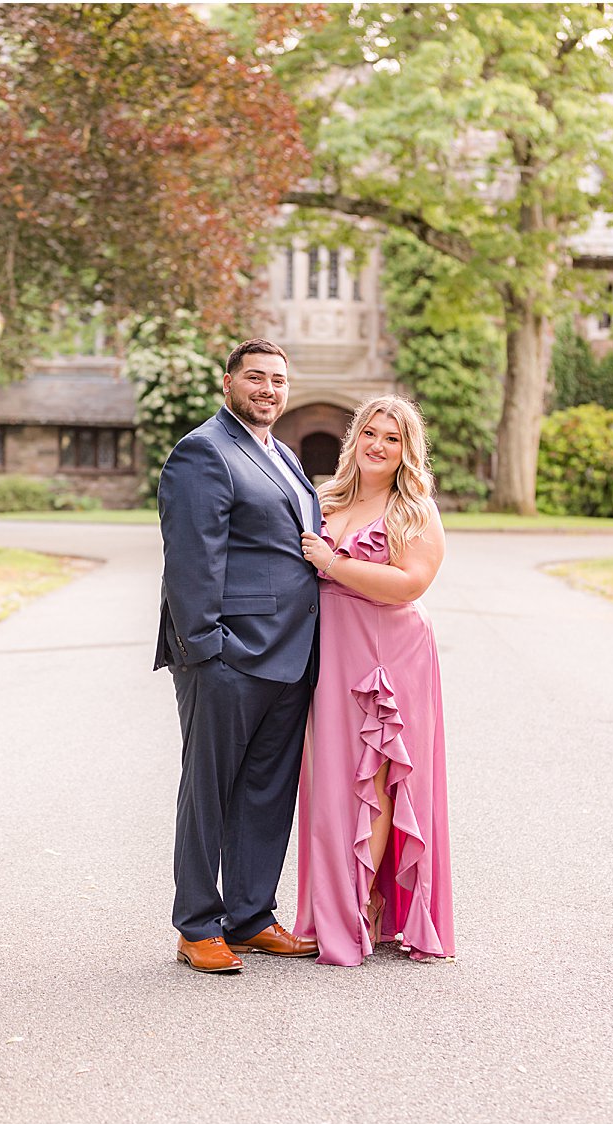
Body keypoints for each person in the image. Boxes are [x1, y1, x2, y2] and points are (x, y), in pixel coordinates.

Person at [155, 338, 321, 974]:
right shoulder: (204, 451)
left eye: (278, 380)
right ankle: (197, 925)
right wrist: (206, 653)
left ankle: (249, 916)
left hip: (291, 655)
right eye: (255, 378)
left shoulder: (281, 455)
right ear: (227, 382)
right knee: (208, 791)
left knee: (267, 792)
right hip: (228, 658)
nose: (268, 389)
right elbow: (191, 561)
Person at [294, 395, 456, 966]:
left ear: (406, 449)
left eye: (392, 438)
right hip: (331, 652)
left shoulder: (415, 510)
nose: (378, 445)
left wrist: (333, 564)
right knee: (333, 781)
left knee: (380, 776)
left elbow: (410, 584)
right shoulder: (325, 498)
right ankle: (333, 906)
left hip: (392, 651)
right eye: (370, 433)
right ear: (354, 439)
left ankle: (359, 906)